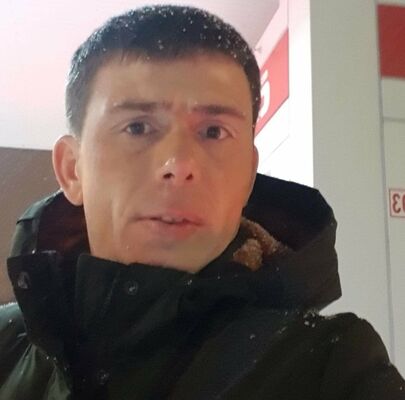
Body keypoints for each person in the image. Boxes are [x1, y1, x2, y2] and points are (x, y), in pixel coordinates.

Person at [0, 5, 404, 400]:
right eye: (138, 127)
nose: (178, 165)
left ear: (248, 176)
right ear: (72, 170)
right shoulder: (6, 345)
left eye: (213, 131)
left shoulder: (332, 367)